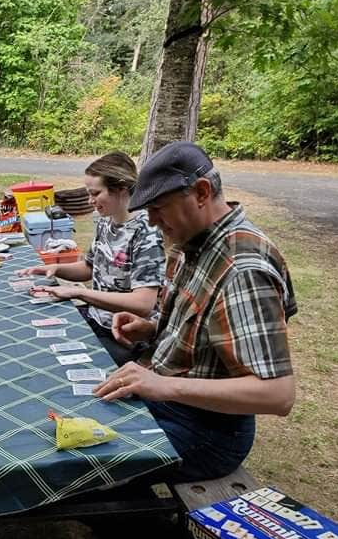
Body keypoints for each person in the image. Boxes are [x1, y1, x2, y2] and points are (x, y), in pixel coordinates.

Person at [95, 141, 297, 482]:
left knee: (88, 464)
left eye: (159, 207)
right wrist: (150, 326)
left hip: (208, 434)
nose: (153, 221)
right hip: (172, 401)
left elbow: (277, 395)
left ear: (201, 192)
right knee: (76, 413)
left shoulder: (243, 269)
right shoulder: (192, 239)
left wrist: (163, 386)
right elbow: (202, 323)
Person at [17, 152, 165, 365]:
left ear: (121, 189)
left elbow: (143, 304)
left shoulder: (146, 232)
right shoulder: (105, 221)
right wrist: (54, 269)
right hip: (95, 320)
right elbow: (89, 267)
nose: (90, 200)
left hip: (124, 336)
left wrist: (79, 292)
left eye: (95, 193)